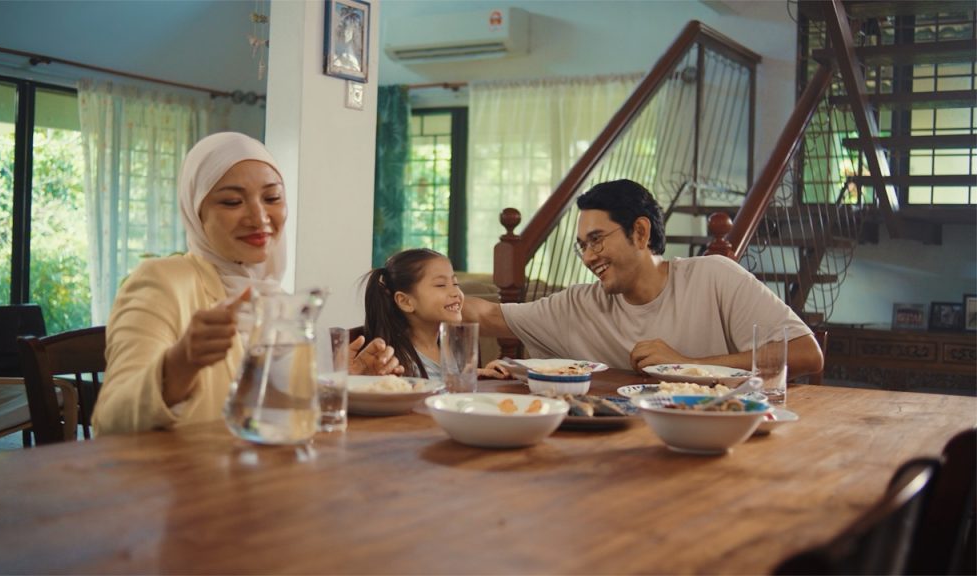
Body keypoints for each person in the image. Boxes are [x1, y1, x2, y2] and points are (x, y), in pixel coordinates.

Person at [94, 132, 400, 435]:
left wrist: (347, 379)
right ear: (196, 212)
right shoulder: (162, 283)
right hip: (185, 465)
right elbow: (110, 420)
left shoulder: (276, 299)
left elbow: (274, 413)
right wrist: (182, 361)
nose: (259, 216)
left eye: (272, 198)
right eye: (232, 201)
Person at [463, 179, 824, 379]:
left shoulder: (714, 275)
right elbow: (487, 315)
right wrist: (433, 288)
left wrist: (685, 365)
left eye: (596, 240)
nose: (588, 257)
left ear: (639, 232)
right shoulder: (579, 305)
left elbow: (806, 354)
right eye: (582, 246)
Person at [363, 248, 510, 380]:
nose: (455, 292)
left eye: (455, 283)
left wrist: (471, 374)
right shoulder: (397, 364)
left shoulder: (449, 346)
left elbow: (444, 384)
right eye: (441, 285)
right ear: (405, 301)